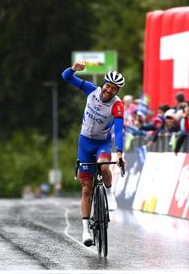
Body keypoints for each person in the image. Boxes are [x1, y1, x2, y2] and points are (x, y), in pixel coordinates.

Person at [62, 61, 126, 247]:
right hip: (84, 143)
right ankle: (85, 231)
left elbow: (119, 130)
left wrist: (120, 153)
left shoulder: (117, 106)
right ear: (103, 84)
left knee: (105, 166)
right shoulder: (91, 90)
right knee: (86, 188)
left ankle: (108, 191)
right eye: (107, 86)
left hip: (102, 144)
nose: (108, 91)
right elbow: (66, 77)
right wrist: (73, 69)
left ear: (116, 91)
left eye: (113, 89)